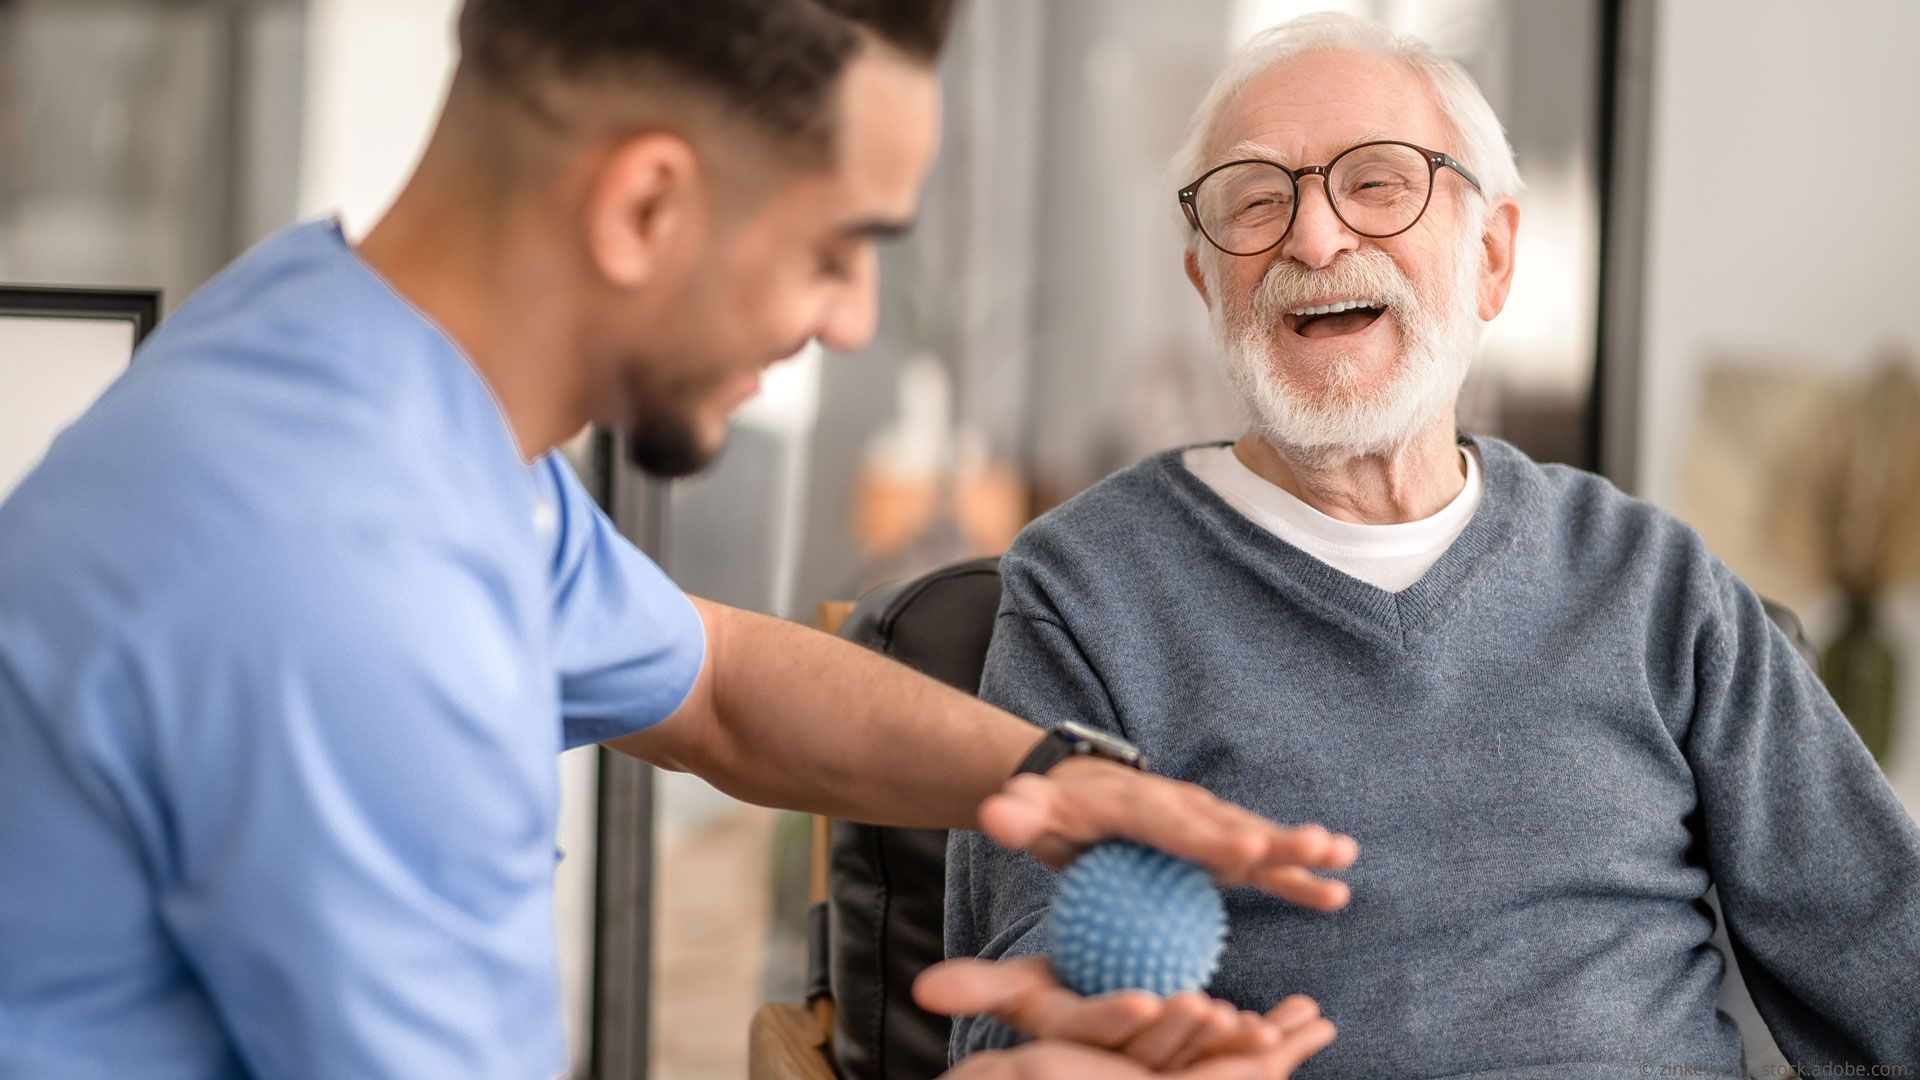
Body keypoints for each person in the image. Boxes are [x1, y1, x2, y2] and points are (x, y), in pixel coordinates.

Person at [0, 2, 1355, 1076]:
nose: (853, 322)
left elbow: (713, 685)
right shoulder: (349, 589)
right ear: (647, 205)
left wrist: (1057, 778)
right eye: (838, 247)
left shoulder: (358, 377)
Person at [945, 11, 1920, 1079]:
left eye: (1376, 183)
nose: (1312, 240)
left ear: (1492, 255)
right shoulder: (1090, 589)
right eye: (1258, 200)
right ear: (1203, 284)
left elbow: (1885, 959)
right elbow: (1017, 1008)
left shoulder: (1657, 585)